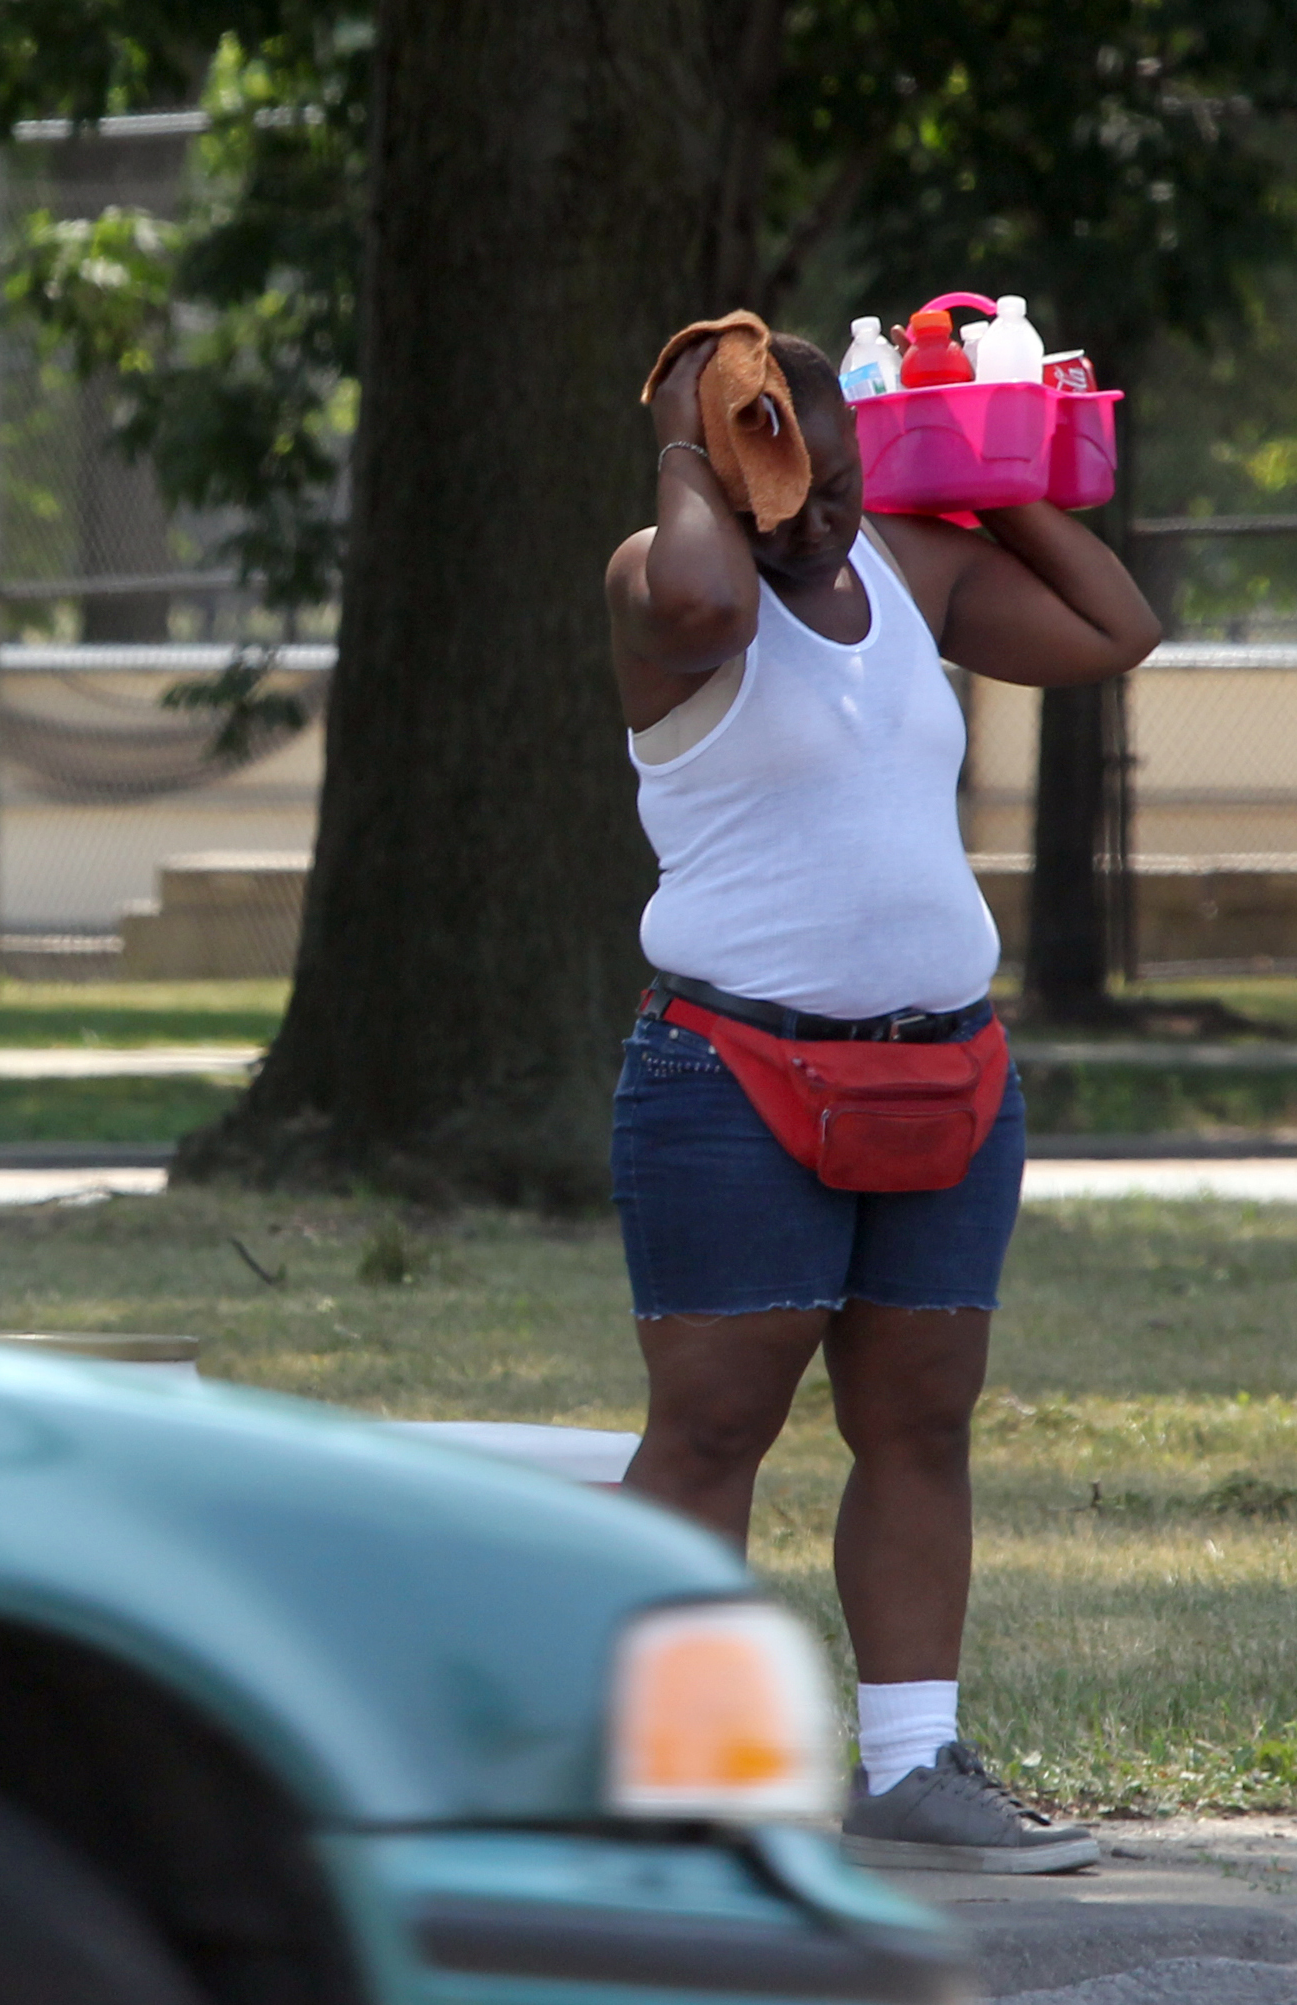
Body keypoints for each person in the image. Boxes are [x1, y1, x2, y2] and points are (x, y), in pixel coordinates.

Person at [603, 326, 1160, 1871]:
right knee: (715, 1430)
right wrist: (689, 437)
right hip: (733, 1074)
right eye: (794, 482)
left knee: (921, 1420)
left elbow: (1117, 627)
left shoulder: (911, 569)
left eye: (847, 478)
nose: (827, 515)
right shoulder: (662, 581)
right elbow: (716, 593)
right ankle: (681, 1776)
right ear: (717, 469)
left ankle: (913, 1762)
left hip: (942, 1072)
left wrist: (991, 471)